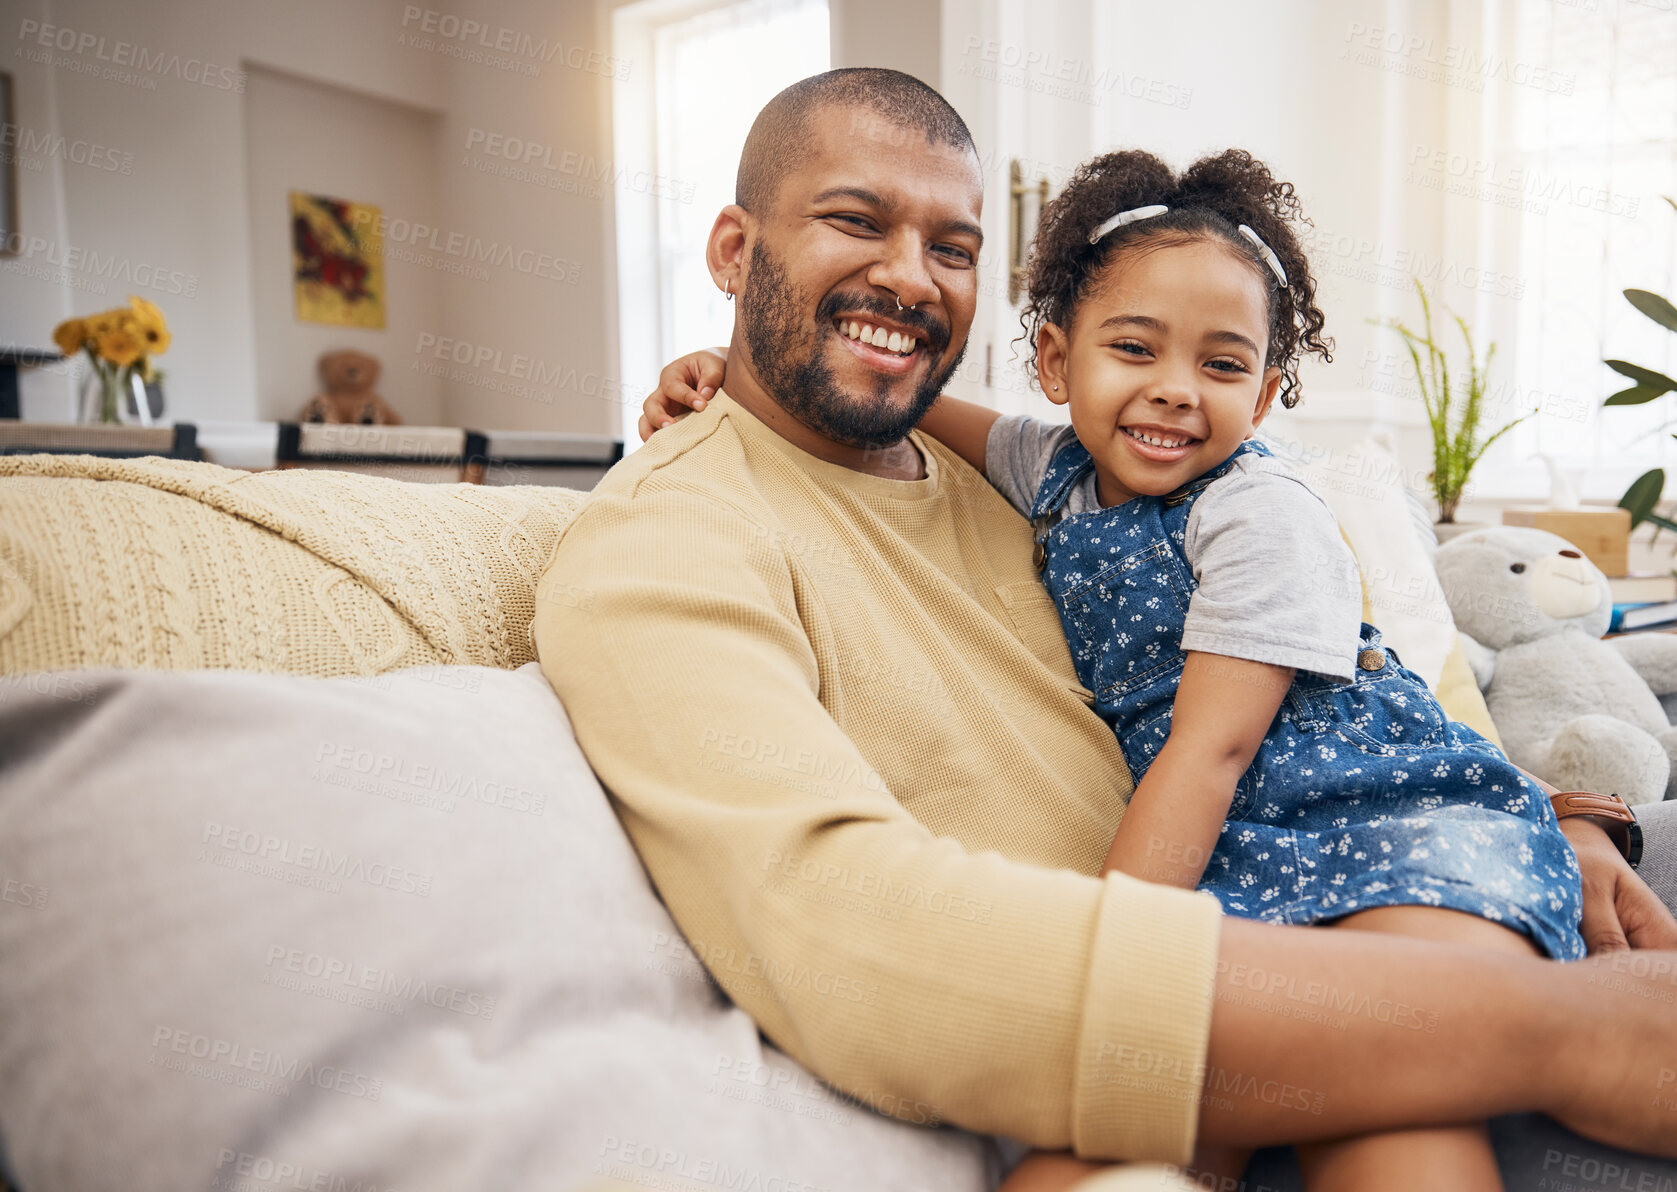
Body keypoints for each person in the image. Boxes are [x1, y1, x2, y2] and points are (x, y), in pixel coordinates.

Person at [538, 68, 1677, 1192]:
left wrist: (1558, 820)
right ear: (735, 255)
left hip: (1419, 873)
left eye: (953, 247)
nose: (908, 279)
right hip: (1206, 999)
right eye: (855, 221)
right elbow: (843, 943)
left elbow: (1354, 707)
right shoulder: (678, 535)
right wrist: (1560, 1026)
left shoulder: (1046, 475)